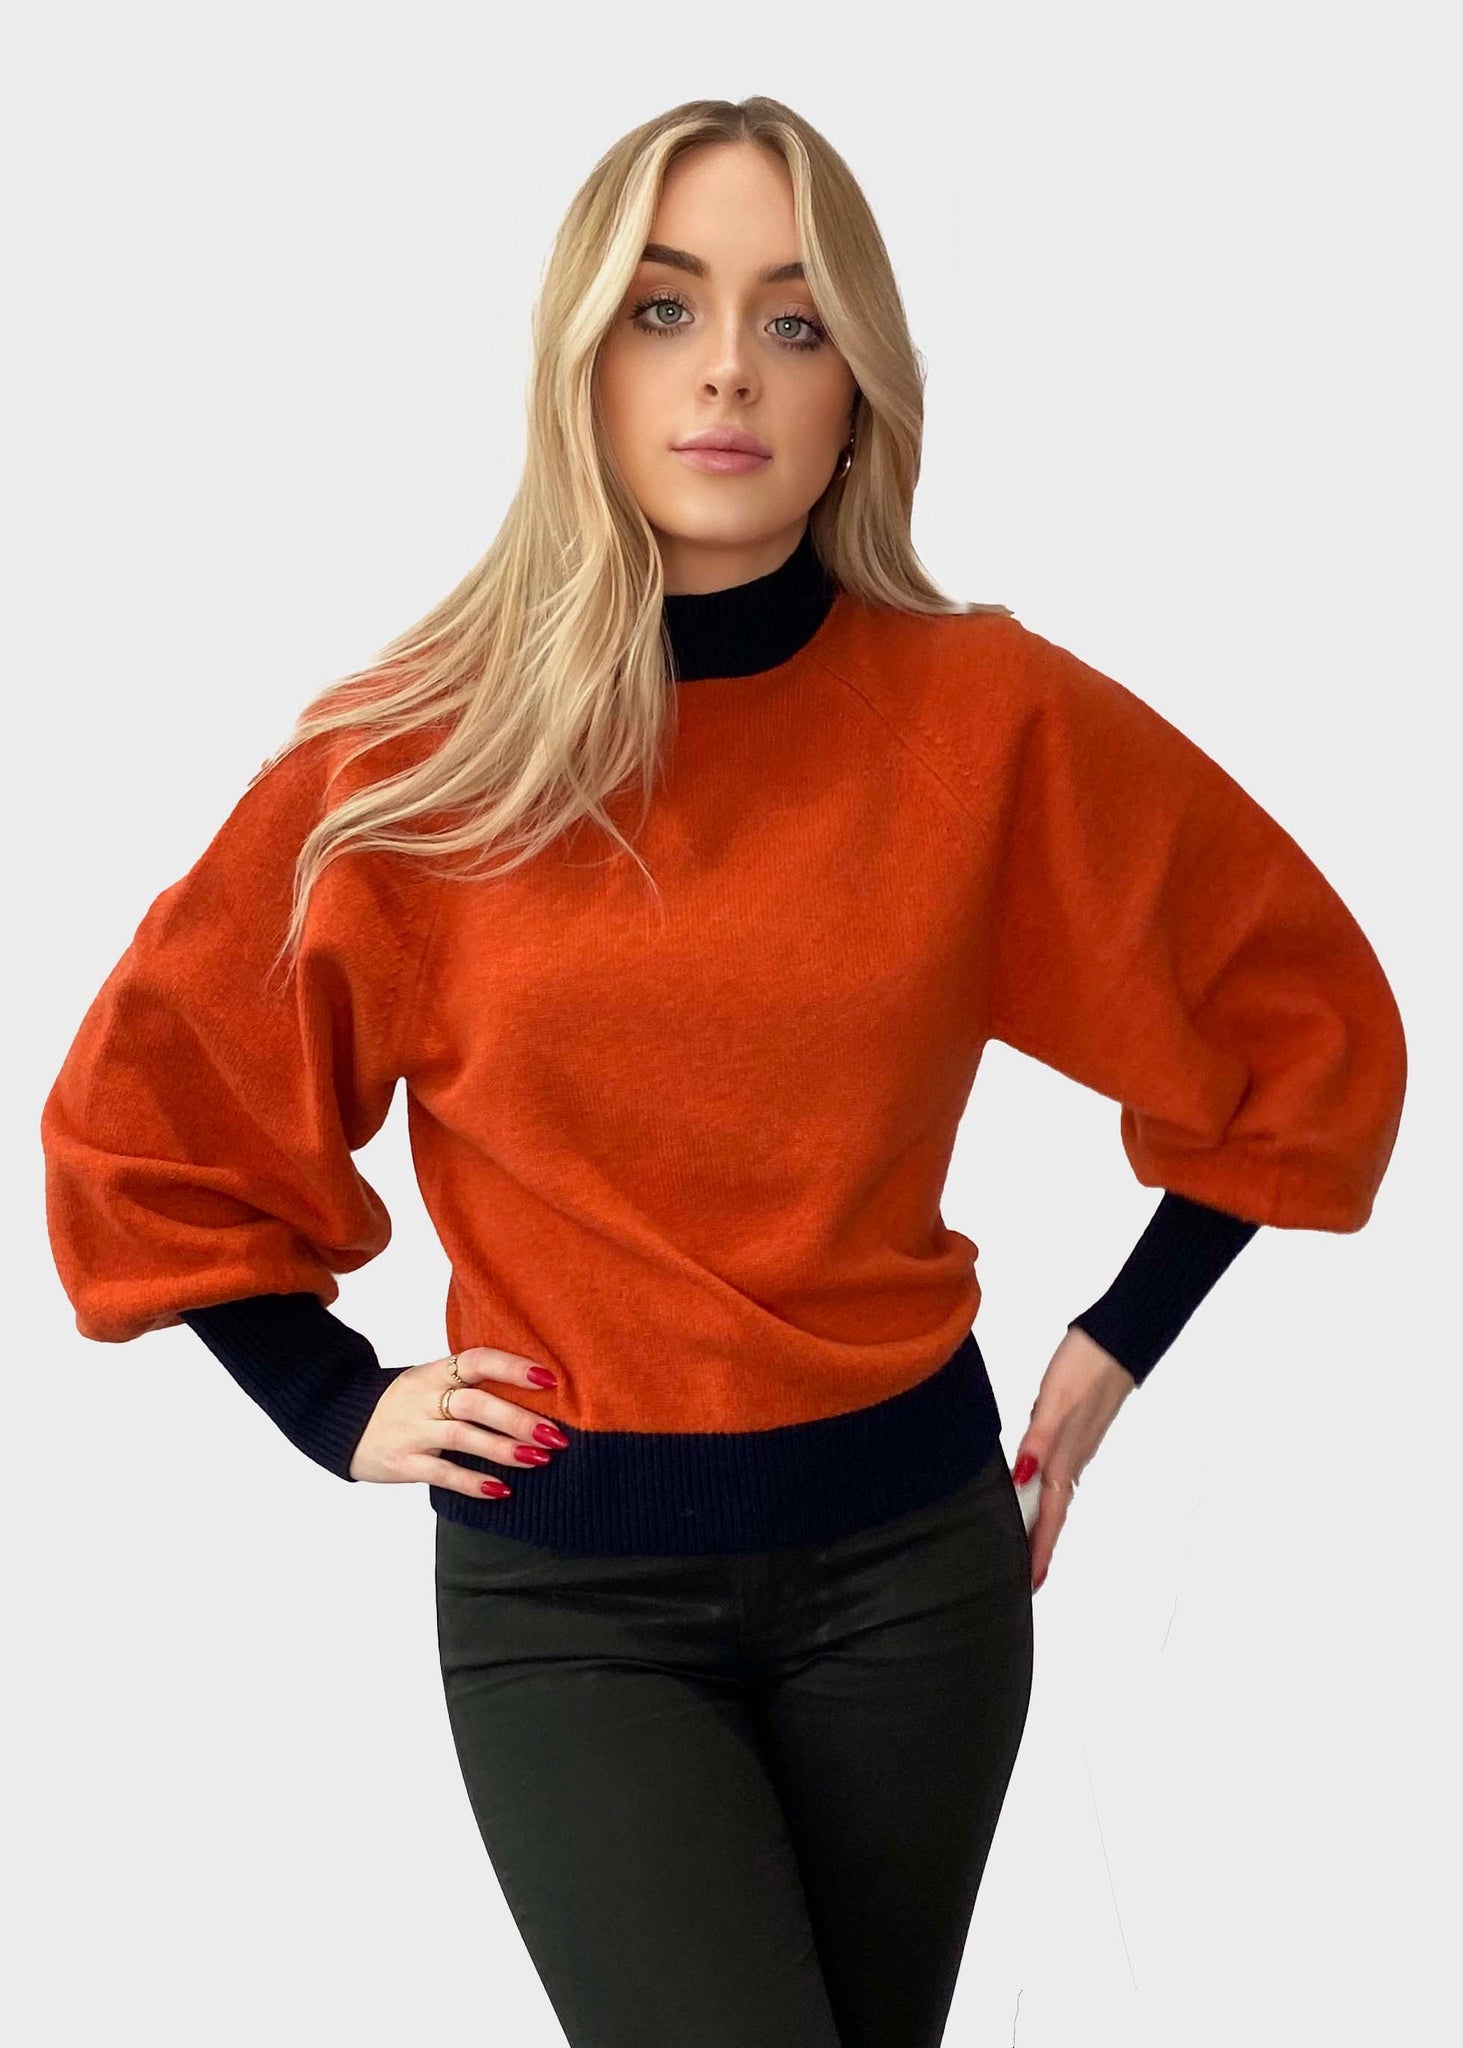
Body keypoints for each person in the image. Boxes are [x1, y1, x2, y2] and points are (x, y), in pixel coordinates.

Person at [39, 96, 1407, 2048]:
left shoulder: (986, 718)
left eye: (795, 317)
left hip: (914, 1576)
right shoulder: (415, 758)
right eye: (665, 308)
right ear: (580, 362)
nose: (728, 372)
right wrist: (326, 1397)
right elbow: (147, 1123)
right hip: (569, 1605)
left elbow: (1297, 1014)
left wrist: (1127, 1332)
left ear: (862, 385)